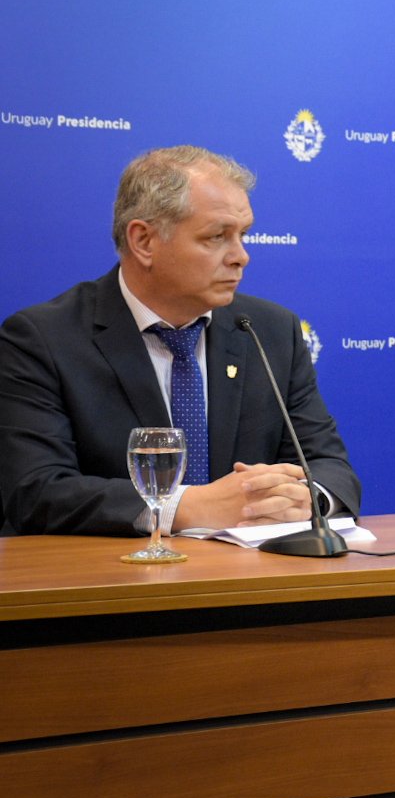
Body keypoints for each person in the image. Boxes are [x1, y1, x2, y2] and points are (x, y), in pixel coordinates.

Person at [0, 146, 360, 536]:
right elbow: (35, 491)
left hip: (252, 579)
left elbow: (328, 466)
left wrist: (307, 499)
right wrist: (186, 507)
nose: (241, 256)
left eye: (243, 235)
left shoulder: (270, 330)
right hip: (114, 581)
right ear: (144, 242)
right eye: (217, 237)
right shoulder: (43, 339)